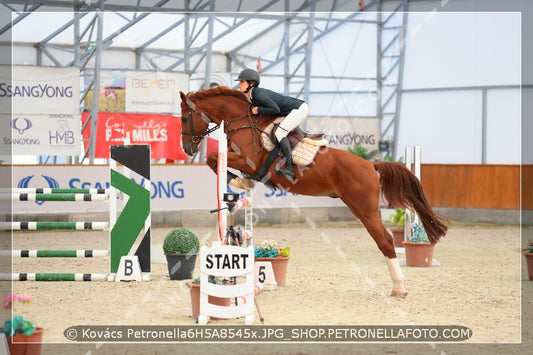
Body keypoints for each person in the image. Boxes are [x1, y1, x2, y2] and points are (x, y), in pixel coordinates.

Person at [235, 68, 309, 179]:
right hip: (289, 111)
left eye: (242, 82)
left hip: (298, 109)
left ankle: (290, 169)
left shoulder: (258, 94)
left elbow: (275, 109)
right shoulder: (253, 95)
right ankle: (268, 167)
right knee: (271, 133)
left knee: (279, 133)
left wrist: (258, 110)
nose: (239, 85)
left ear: (252, 83)